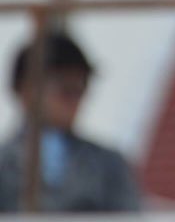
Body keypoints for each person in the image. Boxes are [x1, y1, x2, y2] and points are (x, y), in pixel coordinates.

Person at [0, 30, 142, 212]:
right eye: (65, 90)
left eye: (80, 89)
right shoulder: (4, 164)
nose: (74, 100)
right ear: (26, 90)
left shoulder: (108, 164)